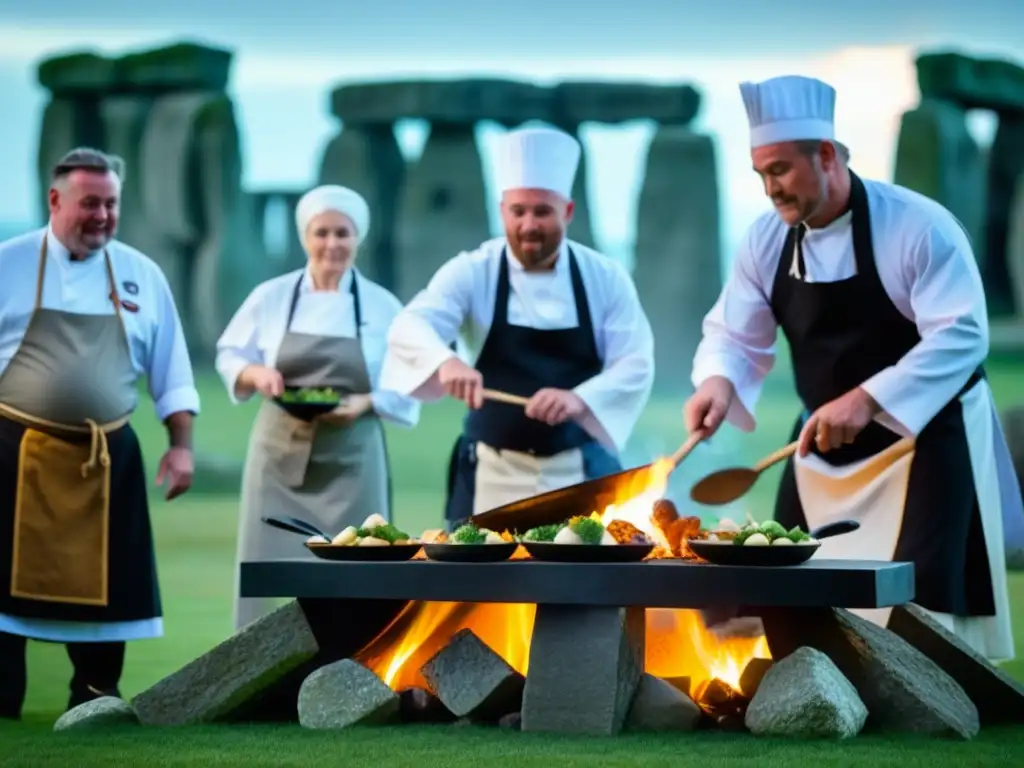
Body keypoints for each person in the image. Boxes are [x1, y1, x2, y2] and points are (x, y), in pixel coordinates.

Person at [683, 75, 1021, 662]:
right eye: (761, 173)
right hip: (820, 445)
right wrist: (717, 380)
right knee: (783, 585)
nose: (770, 188)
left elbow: (963, 334)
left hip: (925, 437)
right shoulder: (764, 241)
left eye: (781, 170)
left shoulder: (919, 226)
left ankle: (940, 700)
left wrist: (867, 398)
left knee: (923, 604)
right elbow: (734, 333)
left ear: (827, 155)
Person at [0, 148, 200, 719]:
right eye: (90, 203)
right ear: (55, 200)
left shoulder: (142, 274)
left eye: (111, 203)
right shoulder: (8, 264)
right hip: (14, 457)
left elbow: (173, 370)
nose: (103, 216)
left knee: (109, 589)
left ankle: (94, 700)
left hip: (107, 462)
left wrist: (181, 447)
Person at [380, 126, 655, 524]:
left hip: (578, 475)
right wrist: (446, 361)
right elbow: (411, 324)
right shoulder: (473, 271)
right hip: (491, 471)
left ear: (568, 211)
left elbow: (635, 362)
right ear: (502, 209)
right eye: (518, 211)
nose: (528, 226)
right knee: (478, 588)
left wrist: (581, 399)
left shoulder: (604, 277)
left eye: (542, 211)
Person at [216, 184, 420, 631]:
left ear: (358, 238)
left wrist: (367, 401)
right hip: (277, 455)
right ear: (305, 237)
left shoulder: (384, 307)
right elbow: (229, 353)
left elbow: (409, 383)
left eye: (342, 233)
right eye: (321, 232)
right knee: (265, 569)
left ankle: (357, 669)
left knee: (361, 572)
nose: (332, 244)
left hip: (354, 457)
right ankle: (251, 671)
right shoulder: (270, 297)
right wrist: (257, 375)